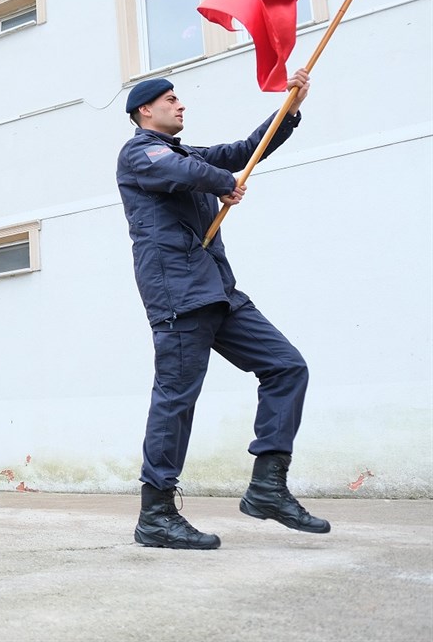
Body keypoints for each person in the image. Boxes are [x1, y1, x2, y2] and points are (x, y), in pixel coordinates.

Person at [117, 70, 329, 551]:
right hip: (178, 294)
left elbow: (242, 152)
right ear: (145, 110)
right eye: (171, 100)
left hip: (218, 289)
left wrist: (288, 109)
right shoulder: (140, 153)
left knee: (286, 366)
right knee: (176, 400)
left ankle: (268, 487)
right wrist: (223, 183)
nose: (181, 105)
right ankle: (156, 514)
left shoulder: (186, 153)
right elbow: (186, 175)